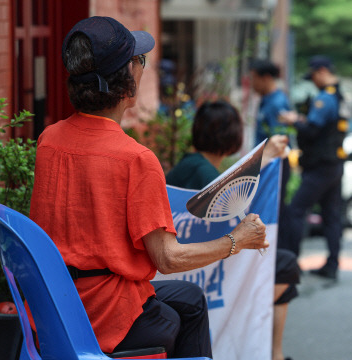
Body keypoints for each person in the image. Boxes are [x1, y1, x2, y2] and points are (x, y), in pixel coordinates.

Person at [29, 16, 268, 358]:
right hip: (105, 312)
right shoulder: (135, 158)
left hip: (56, 301)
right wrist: (237, 240)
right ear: (127, 87)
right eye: (139, 61)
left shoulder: (49, 139)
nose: (143, 67)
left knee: (190, 299)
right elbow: (168, 259)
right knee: (172, 316)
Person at [166, 100, 301, 360]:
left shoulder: (192, 165)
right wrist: (267, 159)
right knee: (284, 265)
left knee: (281, 265)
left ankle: (274, 352)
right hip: (204, 262)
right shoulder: (202, 171)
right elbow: (228, 199)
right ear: (232, 135)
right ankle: (270, 349)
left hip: (202, 257)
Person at [280, 55, 348, 280]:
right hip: (334, 165)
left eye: (314, 77)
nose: (313, 82)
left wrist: (293, 120)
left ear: (321, 71)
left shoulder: (325, 99)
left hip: (320, 166)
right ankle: (332, 264)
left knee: (296, 210)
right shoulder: (339, 95)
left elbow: (311, 131)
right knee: (331, 216)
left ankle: (289, 264)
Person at [249, 59, 294, 252]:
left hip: (276, 166)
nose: (252, 84)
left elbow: (279, 141)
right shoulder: (266, 100)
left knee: (277, 213)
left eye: (254, 79)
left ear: (266, 78)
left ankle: (282, 257)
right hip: (266, 164)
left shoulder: (277, 102)